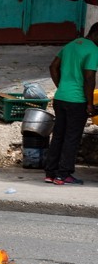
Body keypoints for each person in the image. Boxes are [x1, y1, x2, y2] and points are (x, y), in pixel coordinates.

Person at [43, 23, 98, 186]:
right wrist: (90, 104)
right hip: (77, 101)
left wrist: (61, 86)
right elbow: (89, 78)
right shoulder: (93, 50)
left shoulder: (71, 45)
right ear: (96, 34)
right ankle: (63, 174)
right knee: (71, 137)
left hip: (60, 98)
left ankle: (50, 173)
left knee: (58, 135)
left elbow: (53, 67)